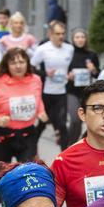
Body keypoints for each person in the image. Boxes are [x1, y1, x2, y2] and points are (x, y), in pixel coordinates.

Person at [0, 48, 48, 163]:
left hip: (28, 134)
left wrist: (41, 111)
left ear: (27, 63)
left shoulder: (36, 80)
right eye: (13, 63)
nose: (18, 66)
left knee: (26, 173)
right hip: (3, 135)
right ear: (7, 65)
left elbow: (38, 98)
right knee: (4, 175)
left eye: (21, 62)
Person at [32, 21, 74, 150]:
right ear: (50, 34)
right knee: (42, 124)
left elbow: (70, 66)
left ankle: (64, 156)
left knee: (62, 125)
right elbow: (31, 67)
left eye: (62, 33)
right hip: (46, 93)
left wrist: (70, 74)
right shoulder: (43, 49)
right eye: (57, 33)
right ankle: (32, 149)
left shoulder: (69, 48)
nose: (60, 36)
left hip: (61, 92)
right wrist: (45, 73)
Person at [66, 28, 100, 144]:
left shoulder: (92, 54)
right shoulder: (68, 54)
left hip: (87, 92)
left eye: (82, 37)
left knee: (89, 121)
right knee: (75, 120)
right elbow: (62, 71)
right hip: (71, 91)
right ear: (73, 39)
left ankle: (81, 144)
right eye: (77, 37)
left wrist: (93, 69)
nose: (80, 40)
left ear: (86, 39)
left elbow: (97, 74)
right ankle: (69, 146)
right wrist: (68, 75)